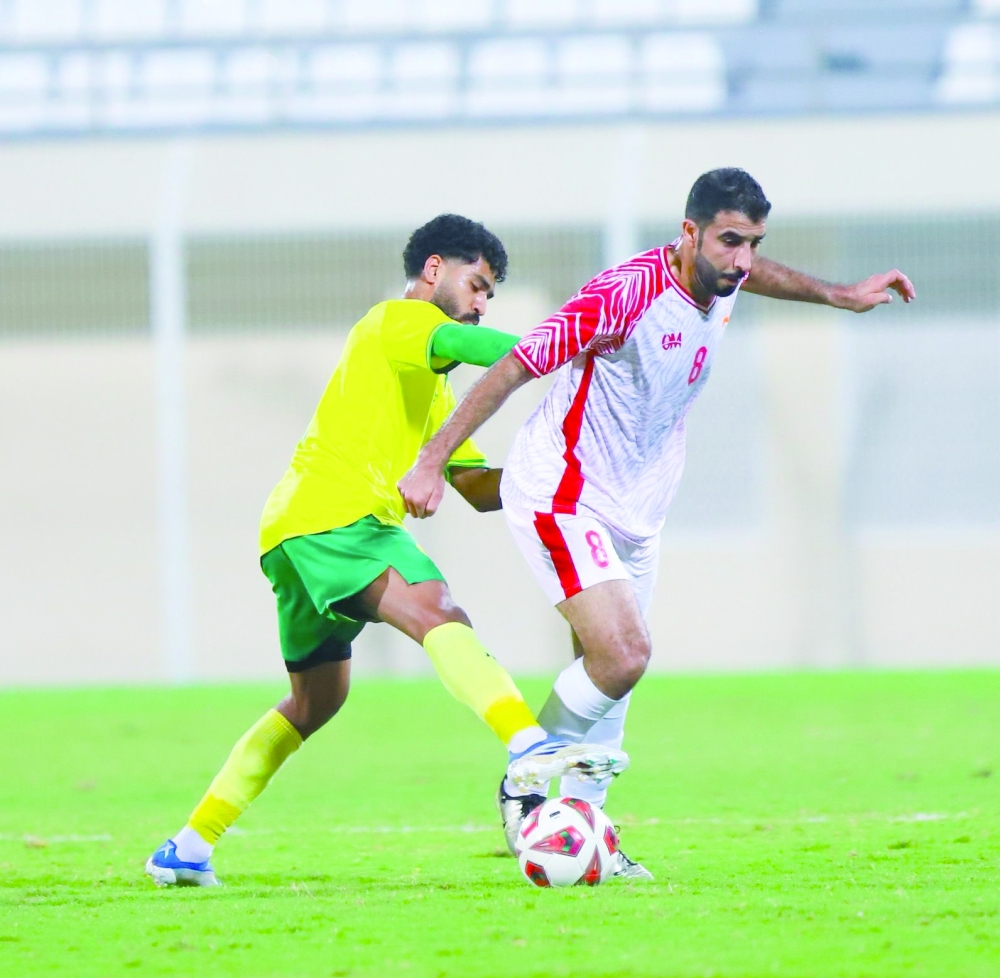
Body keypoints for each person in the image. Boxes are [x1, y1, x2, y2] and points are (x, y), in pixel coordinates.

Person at [398, 170, 916, 878]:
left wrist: (837, 294)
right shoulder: (624, 294)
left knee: (613, 677)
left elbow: (754, 272)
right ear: (688, 233)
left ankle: (590, 835)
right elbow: (516, 366)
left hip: (639, 505)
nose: (742, 260)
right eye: (729, 241)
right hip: (564, 491)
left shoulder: (727, 276)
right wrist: (432, 460)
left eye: (753, 243)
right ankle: (525, 781)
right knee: (624, 655)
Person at [145, 214, 627, 888]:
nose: (481, 303)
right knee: (438, 611)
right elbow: (471, 342)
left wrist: (572, 472)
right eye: (477, 284)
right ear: (434, 270)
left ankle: (187, 848)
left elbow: (477, 488)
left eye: (489, 294)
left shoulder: (434, 389)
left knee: (314, 702)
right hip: (336, 520)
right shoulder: (396, 322)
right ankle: (528, 743)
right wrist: (565, 344)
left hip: (295, 532)